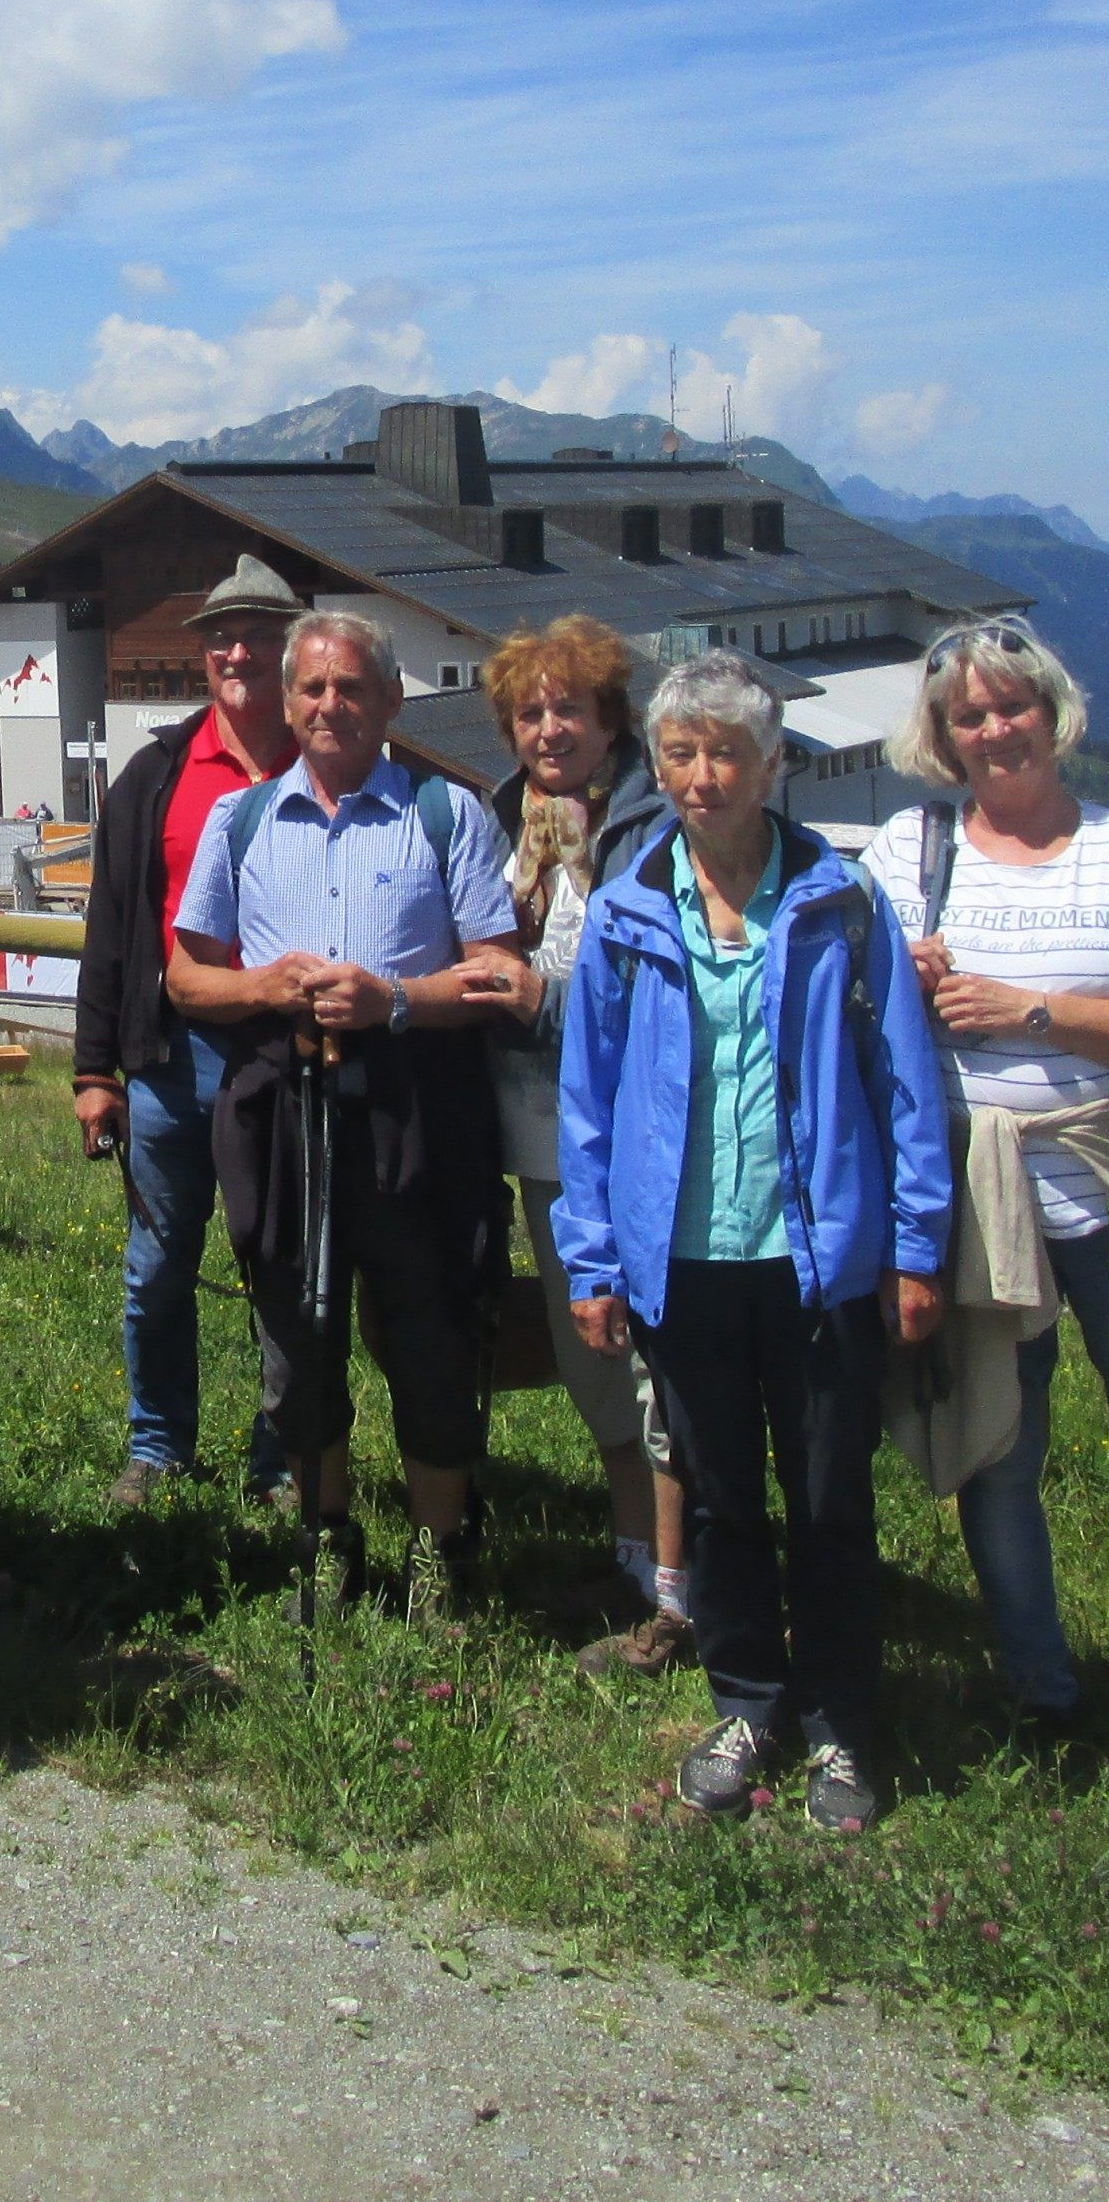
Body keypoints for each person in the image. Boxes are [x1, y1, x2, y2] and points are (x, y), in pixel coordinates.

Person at [553, 650, 951, 1834]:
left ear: (775, 766)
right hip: (679, 1257)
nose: (703, 775)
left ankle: (837, 1723)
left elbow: (905, 1083)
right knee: (721, 1496)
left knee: (828, 1499)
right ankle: (745, 1696)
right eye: (681, 752)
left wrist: (918, 1248)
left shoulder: (840, 902)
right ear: (660, 765)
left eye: (728, 751)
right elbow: (590, 1097)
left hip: (815, 1253)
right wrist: (591, 1257)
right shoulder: (628, 910)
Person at [858, 619, 1109, 1767]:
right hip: (975, 1177)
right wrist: (900, 975)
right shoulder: (907, 851)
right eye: (966, 717)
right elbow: (849, 1000)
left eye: (1009, 707)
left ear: (1052, 714)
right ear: (939, 738)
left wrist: (1031, 1009)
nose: (991, 730)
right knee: (994, 1440)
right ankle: (1041, 1687)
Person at [165, 610, 525, 1620]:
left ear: (391, 702)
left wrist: (395, 1001)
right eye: (314, 689)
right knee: (295, 1331)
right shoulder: (240, 822)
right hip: (283, 1102)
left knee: (430, 1330)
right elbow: (187, 977)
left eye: (353, 688)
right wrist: (267, 989)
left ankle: (441, 1547)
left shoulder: (445, 815)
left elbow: (499, 971)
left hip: (418, 1102)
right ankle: (327, 1538)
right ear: (287, 703)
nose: (331, 706)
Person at [470, 618, 691, 1671]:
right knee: (586, 1349)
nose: (549, 728)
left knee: (657, 1362)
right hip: (544, 1135)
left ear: (612, 720)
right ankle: (632, 1555)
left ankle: (685, 1583)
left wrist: (538, 996)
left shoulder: (654, 826)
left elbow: (649, 987)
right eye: (529, 712)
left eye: (570, 709)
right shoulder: (508, 818)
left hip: (640, 1137)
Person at [71, 556, 305, 1508]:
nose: (237, 651)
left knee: (283, 1266)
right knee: (159, 1263)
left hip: (288, 1056)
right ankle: (159, 1443)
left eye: (257, 634)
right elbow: (111, 925)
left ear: (294, 650)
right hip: (171, 1055)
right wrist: (95, 1070)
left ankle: (285, 1453)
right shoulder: (155, 776)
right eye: (220, 637)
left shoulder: (327, 759)